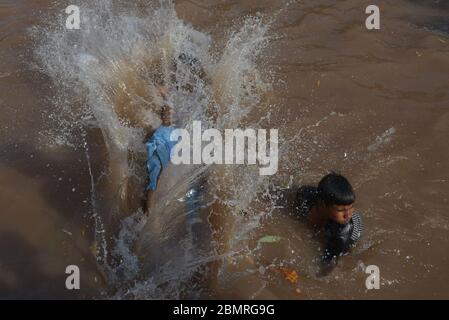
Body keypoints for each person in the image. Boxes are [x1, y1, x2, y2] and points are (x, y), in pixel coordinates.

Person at [297, 172, 363, 274]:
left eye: (351, 207)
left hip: (347, 237)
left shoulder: (341, 237)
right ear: (323, 205)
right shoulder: (306, 197)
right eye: (341, 210)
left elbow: (327, 268)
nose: (348, 215)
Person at [143, 104, 176, 215]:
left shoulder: (171, 129)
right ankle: (148, 215)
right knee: (155, 178)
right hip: (159, 145)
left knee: (156, 179)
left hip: (165, 146)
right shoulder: (159, 129)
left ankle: (149, 215)